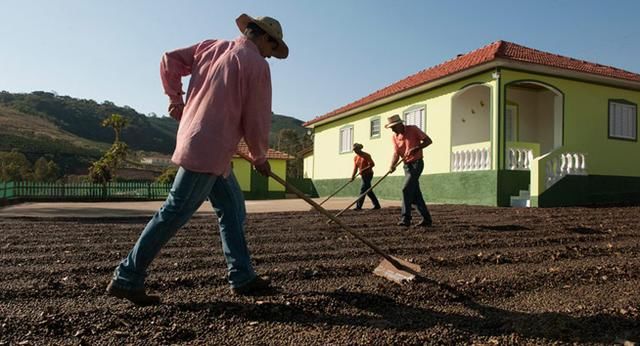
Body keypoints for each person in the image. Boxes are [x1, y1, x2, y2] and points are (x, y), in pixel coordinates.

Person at [106, 13, 289, 306]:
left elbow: (169, 59)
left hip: (200, 141)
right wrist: (259, 155)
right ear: (265, 37)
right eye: (273, 47)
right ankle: (127, 277)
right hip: (209, 150)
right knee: (173, 212)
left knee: (232, 209)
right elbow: (257, 117)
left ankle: (242, 276)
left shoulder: (211, 46)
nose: (272, 54)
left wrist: (175, 99)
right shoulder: (256, 65)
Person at [386, 114, 433, 228]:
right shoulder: (394, 137)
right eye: (391, 127)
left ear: (400, 124)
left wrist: (416, 148)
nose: (392, 129)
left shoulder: (413, 129)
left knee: (406, 189)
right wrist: (392, 165)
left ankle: (405, 218)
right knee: (415, 194)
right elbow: (397, 153)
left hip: (417, 163)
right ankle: (426, 219)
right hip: (407, 167)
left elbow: (428, 141)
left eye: (393, 127)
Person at [350, 143, 381, 210]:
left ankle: (358, 206)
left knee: (363, 189)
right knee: (368, 191)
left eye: (356, 149)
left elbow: (372, 164)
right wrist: (353, 176)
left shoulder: (366, 155)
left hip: (368, 174)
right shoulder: (356, 158)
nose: (355, 151)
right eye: (354, 150)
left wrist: (363, 170)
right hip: (363, 175)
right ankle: (377, 205)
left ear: (359, 149)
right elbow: (355, 168)